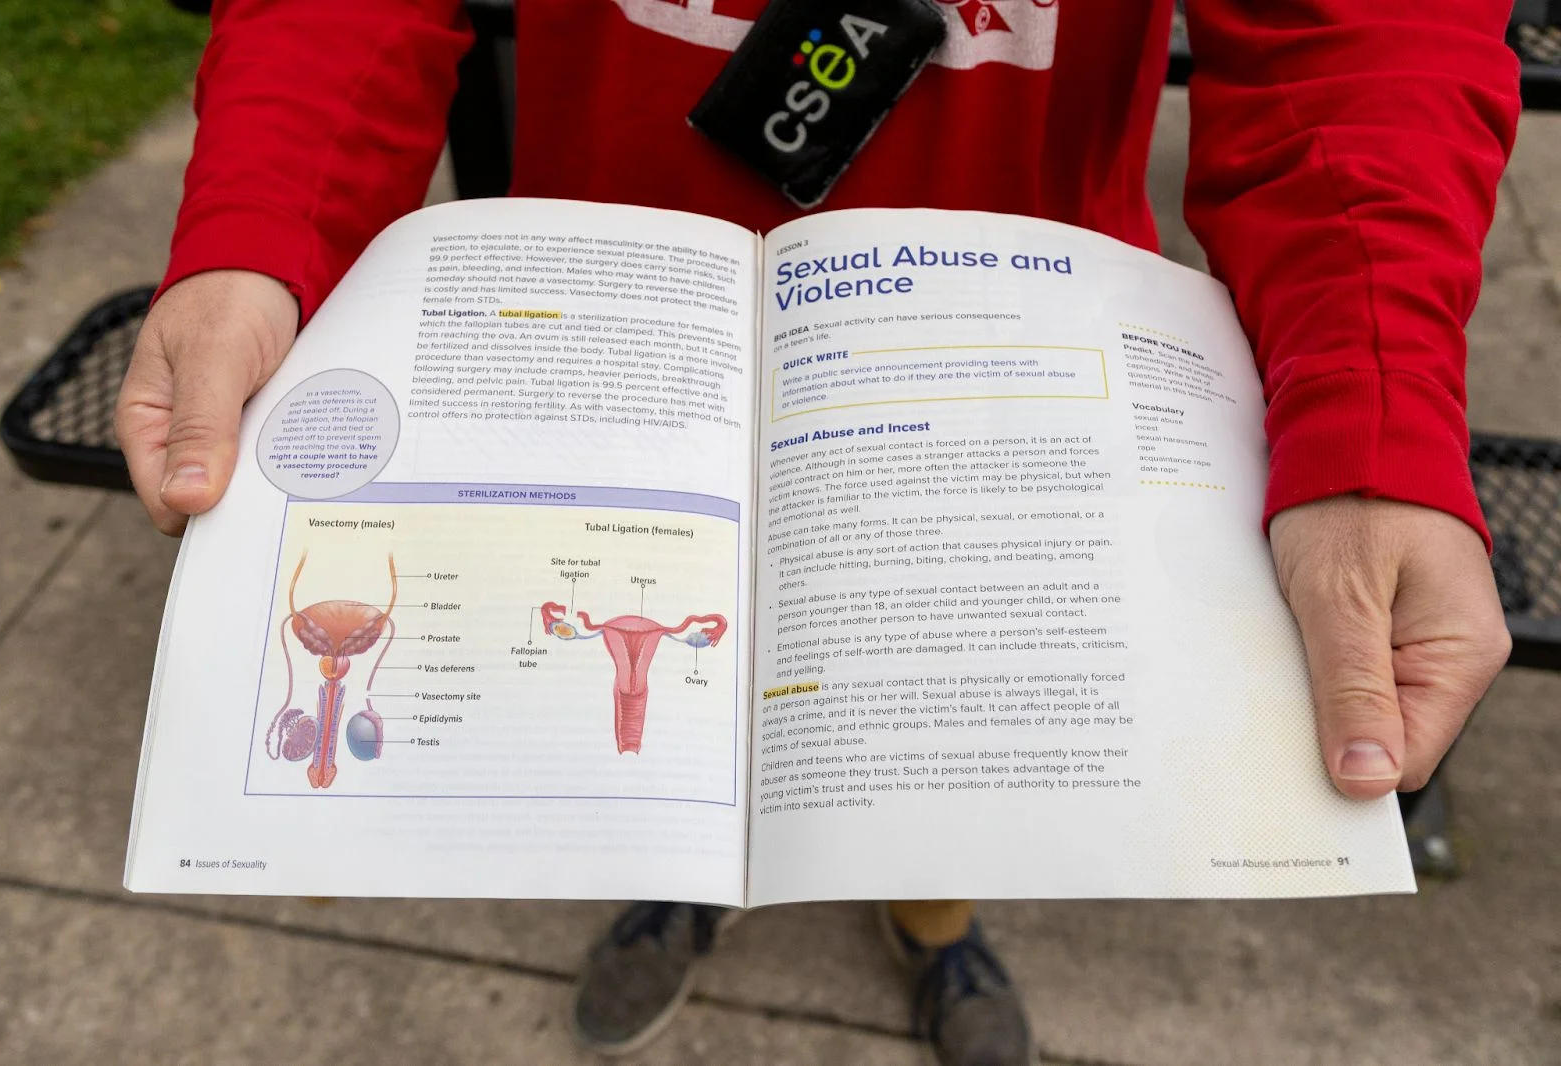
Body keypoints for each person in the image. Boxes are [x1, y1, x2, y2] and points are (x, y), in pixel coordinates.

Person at [115, 2, 1517, 1062]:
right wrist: (263, 225)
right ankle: (678, 889)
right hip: (614, 321)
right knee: (658, 703)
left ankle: (936, 914)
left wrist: (1373, 412)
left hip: (999, 317)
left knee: (931, 708)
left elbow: (1356, 33)